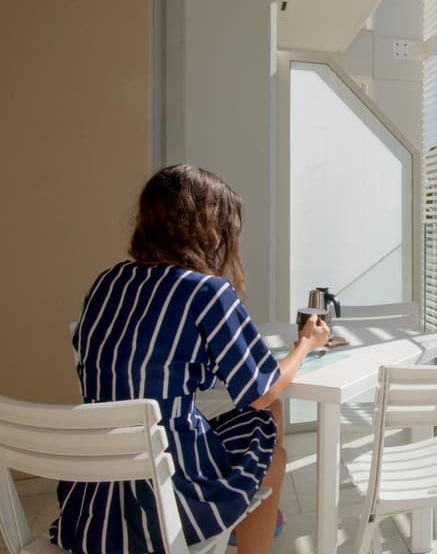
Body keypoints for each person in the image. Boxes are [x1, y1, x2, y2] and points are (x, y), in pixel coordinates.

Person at [50, 164, 329, 554]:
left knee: (267, 419)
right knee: (274, 451)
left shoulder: (107, 281)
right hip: (163, 493)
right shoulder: (206, 292)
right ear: (208, 228)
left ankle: (241, 518)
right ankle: (239, 524)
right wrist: (307, 343)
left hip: (94, 498)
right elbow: (260, 391)